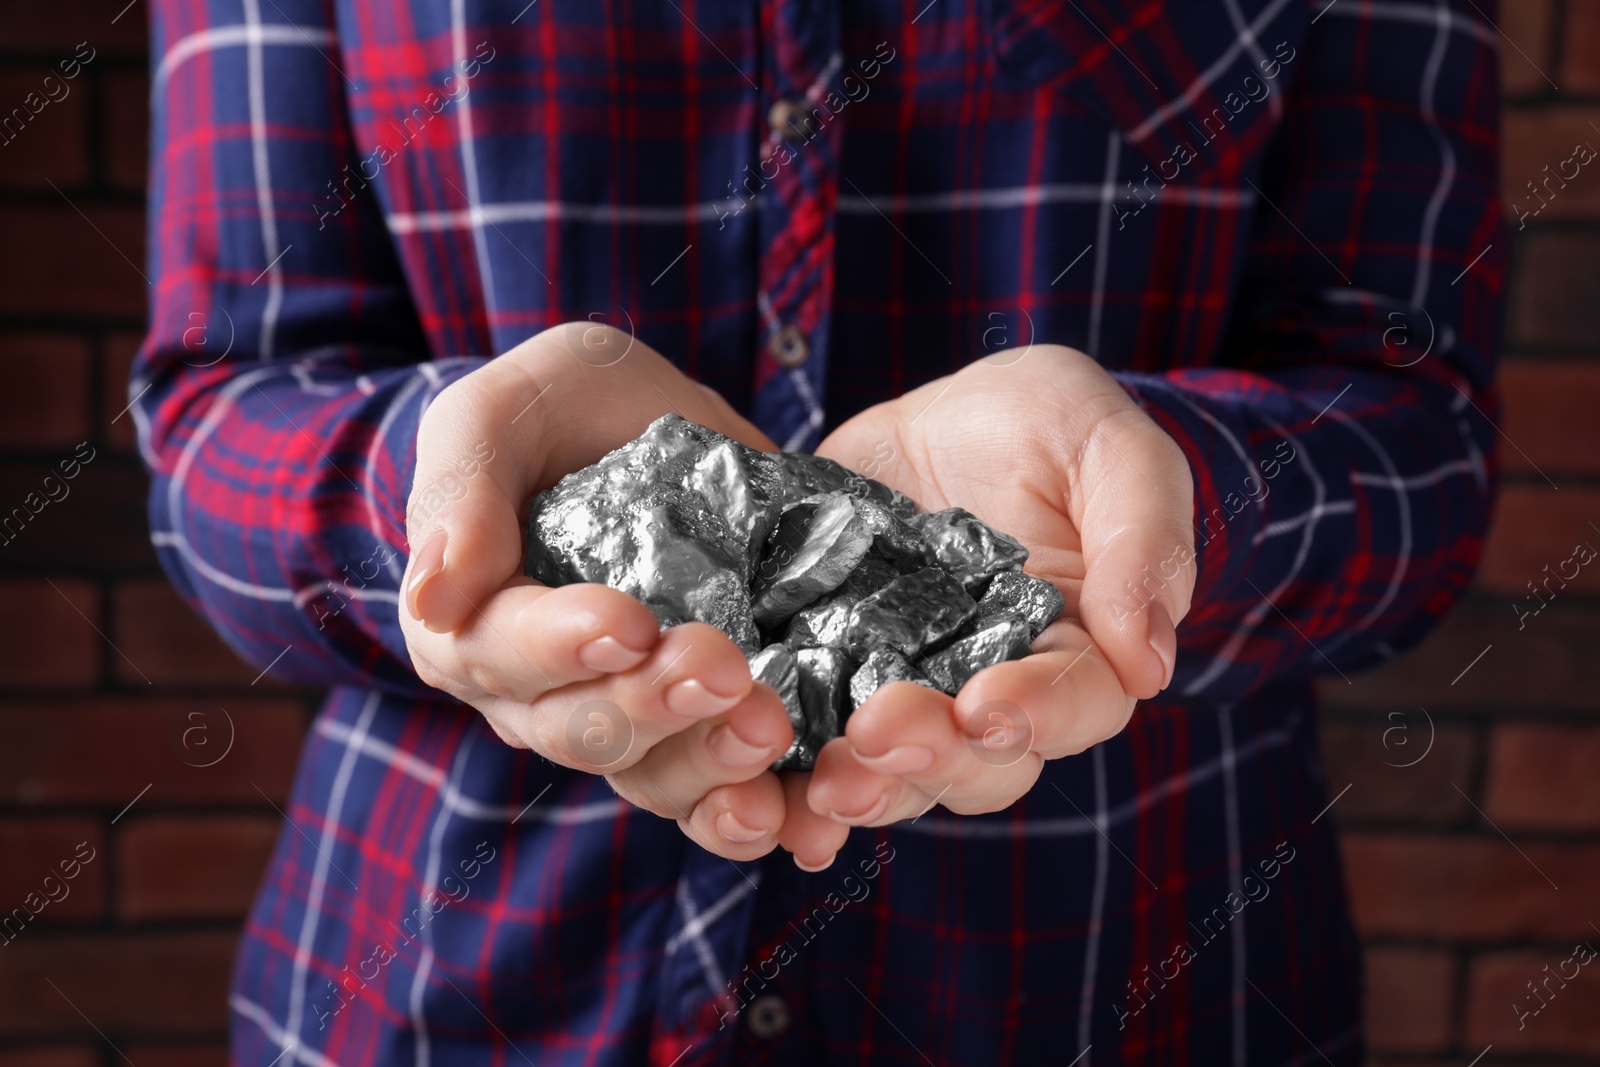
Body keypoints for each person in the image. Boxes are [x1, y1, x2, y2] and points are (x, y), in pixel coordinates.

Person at [134, 0, 1502, 1062]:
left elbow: (1417, 433)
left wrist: (1168, 497)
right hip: (442, 989)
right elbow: (218, 412)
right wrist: (455, 500)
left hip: (1128, 984)